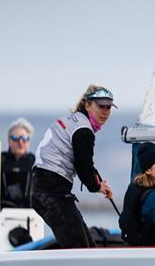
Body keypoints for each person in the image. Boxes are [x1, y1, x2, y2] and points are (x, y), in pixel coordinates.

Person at [30, 85, 115, 248]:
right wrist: (96, 185)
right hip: (51, 190)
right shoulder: (83, 130)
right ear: (88, 105)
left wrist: (100, 183)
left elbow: (83, 161)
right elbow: (83, 166)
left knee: (86, 246)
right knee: (80, 247)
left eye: (108, 107)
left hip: (46, 187)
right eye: (101, 106)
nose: (105, 111)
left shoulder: (72, 120)